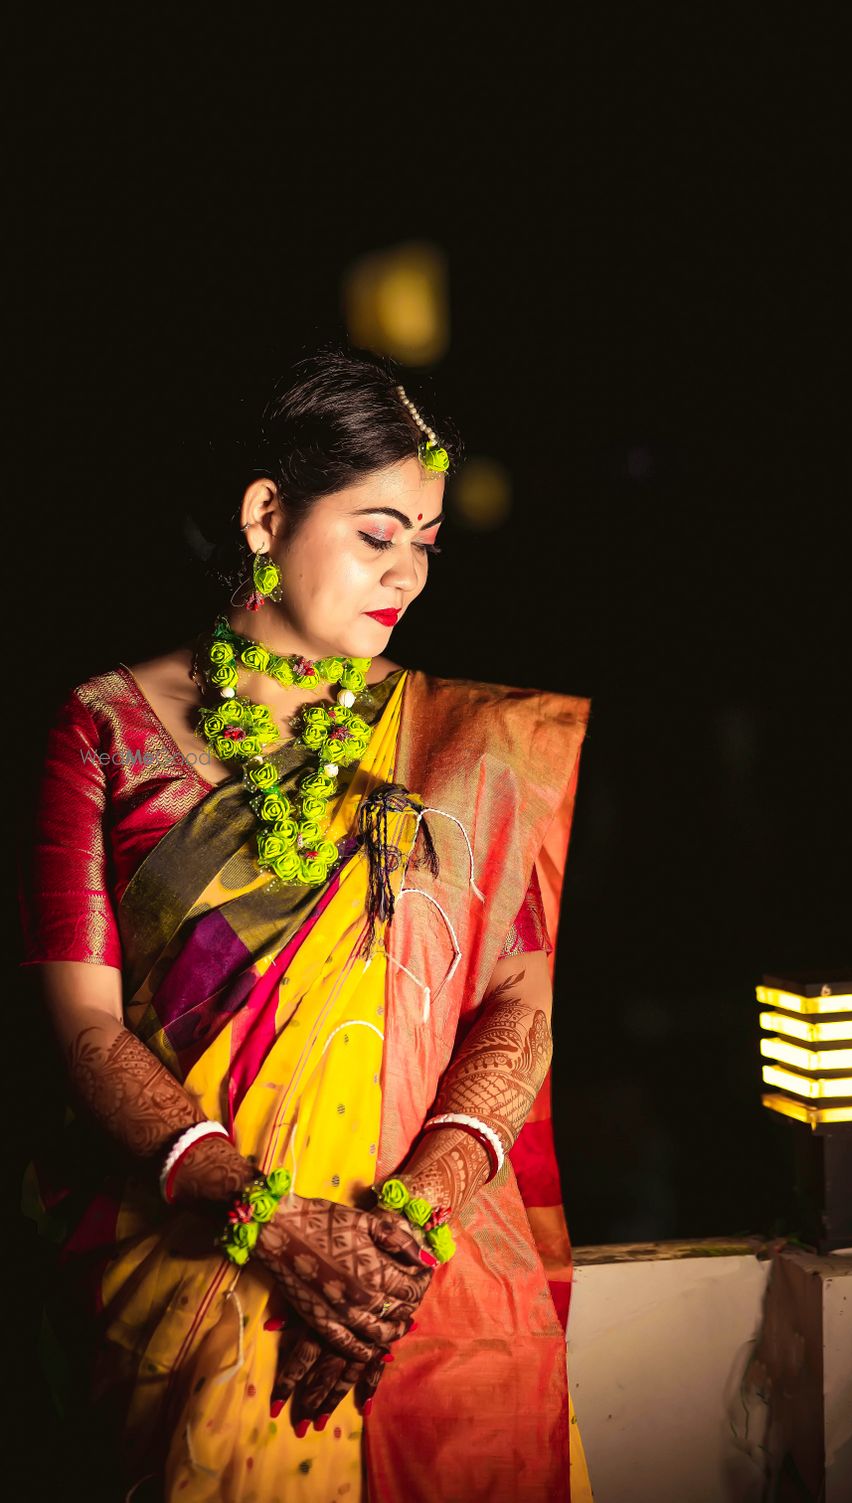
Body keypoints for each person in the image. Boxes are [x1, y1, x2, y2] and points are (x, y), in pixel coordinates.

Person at [18, 348, 592, 1502]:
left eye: (426, 542)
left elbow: (517, 1009)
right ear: (267, 514)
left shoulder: (463, 749)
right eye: (378, 533)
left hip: (428, 1289)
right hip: (198, 1274)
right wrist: (264, 1223)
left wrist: (407, 1233)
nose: (409, 575)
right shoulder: (108, 733)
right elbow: (80, 1028)